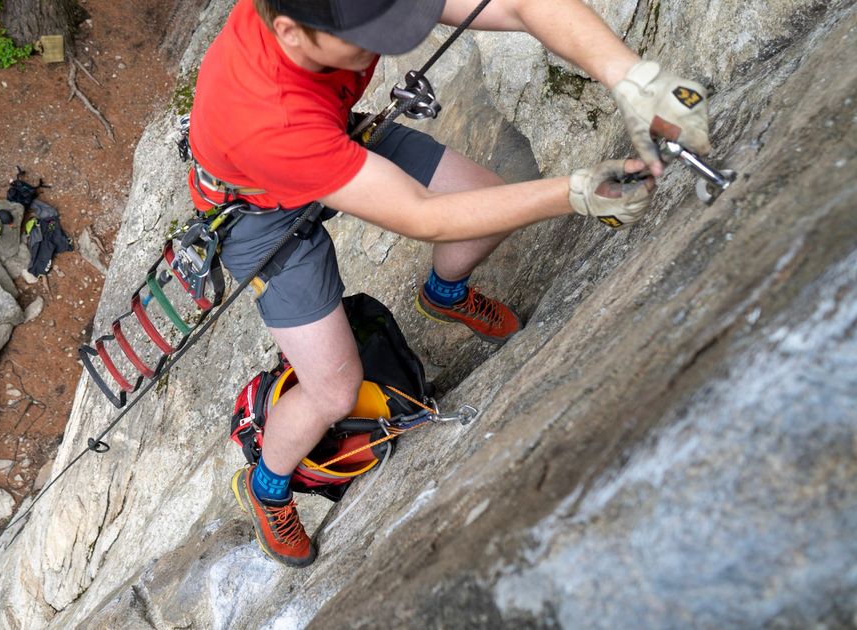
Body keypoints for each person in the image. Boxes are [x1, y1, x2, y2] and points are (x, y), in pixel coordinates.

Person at [186, 0, 711, 567]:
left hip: (329, 135)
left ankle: (444, 294)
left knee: (485, 199)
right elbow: (422, 214)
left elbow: (515, 5)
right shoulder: (267, 115)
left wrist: (635, 78)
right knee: (333, 391)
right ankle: (268, 488)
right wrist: (575, 193)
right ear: (289, 32)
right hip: (258, 214)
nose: (386, 42)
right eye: (367, 37)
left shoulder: (343, 10)